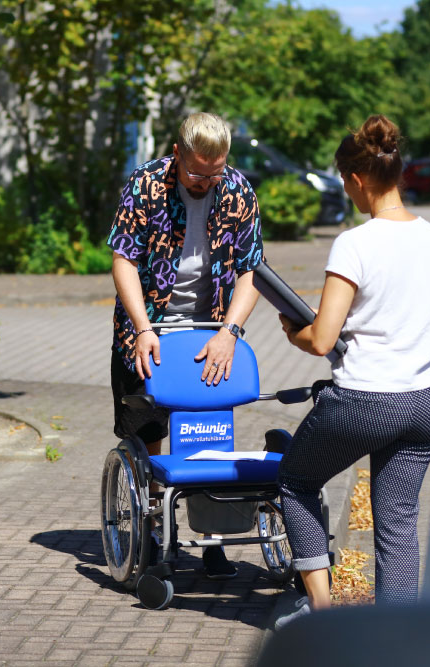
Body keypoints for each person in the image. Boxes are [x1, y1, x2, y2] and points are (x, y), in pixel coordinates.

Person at [273, 115, 430, 626]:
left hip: (368, 400)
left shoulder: (356, 242)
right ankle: (397, 642)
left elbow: (321, 339)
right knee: (396, 522)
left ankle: (323, 620)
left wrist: (293, 331)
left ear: (355, 180)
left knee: (296, 480)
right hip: (425, 399)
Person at [107, 112, 263, 579]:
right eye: (197, 172)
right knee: (151, 440)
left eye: (214, 172)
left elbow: (251, 271)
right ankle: (153, 530)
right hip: (149, 325)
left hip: (210, 328)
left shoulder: (237, 192)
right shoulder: (145, 186)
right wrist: (142, 329)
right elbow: (123, 259)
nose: (205, 182)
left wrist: (229, 333)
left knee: (206, 439)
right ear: (178, 154)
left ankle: (211, 537)